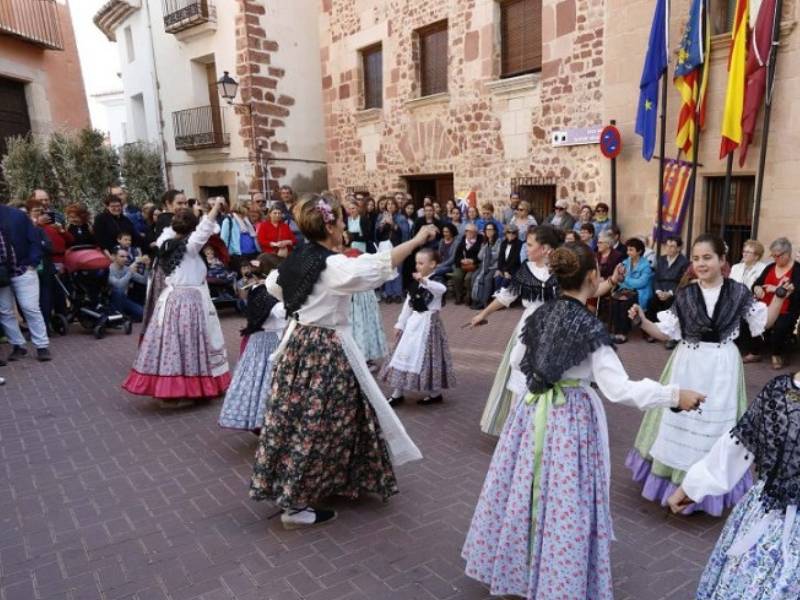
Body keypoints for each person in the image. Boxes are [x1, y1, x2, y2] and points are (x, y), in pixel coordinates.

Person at [462, 242, 705, 600]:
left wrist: (545, 376)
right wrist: (674, 395)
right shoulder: (589, 327)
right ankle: (558, 581)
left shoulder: (539, 316)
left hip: (532, 413)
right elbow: (618, 389)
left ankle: (525, 569)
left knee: (526, 491)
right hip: (568, 419)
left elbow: (517, 361)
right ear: (593, 277)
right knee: (564, 502)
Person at [249, 194, 436, 529]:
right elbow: (377, 267)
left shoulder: (300, 256)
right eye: (338, 219)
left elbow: (274, 285)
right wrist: (418, 239)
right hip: (324, 349)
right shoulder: (330, 265)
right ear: (330, 224)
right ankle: (296, 503)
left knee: (307, 417)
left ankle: (331, 480)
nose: (342, 225)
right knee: (318, 421)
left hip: (299, 344)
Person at [626, 234, 790, 516]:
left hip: (722, 366)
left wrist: (779, 297)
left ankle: (706, 489)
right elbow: (665, 331)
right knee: (680, 420)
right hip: (688, 362)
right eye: (696, 258)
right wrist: (641, 319)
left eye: (707, 257)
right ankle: (675, 486)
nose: (701, 263)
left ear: (722, 261)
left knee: (717, 427)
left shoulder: (738, 292)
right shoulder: (685, 294)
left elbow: (762, 322)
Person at [667, 372, 800, 599]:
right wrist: (692, 486)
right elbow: (738, 443)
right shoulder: (781, 392)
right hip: (772, 517)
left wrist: (691, 487)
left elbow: (736, 447)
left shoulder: (782, 391)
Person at [122, 200, 231, 404]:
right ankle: (196, 387)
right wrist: (215, 207)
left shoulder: (165, 242)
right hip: (191, 301)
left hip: (171, 299)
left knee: (172, 344)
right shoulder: (189, 247)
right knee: (193, 345)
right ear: (192, 229)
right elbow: (206, 227)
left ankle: (172, 388)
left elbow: (181, 230)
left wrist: (183, 220)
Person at [469, 226, 562, 436]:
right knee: (519, 369)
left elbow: (585, 292)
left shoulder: (563, 272)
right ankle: (519, 427)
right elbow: (507, 296)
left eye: (530, 245)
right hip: (529, 328)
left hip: (554, 329)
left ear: (545, 248)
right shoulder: (526, 269)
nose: (526, 249)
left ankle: (545, 430)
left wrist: (611, 281)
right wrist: (483, 314)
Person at [218, 254, 285, 432]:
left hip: (260, 342)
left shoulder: (259, 290)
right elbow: (282, 313)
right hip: (269, 343)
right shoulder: (264, 293)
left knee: (258, 382)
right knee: (267, 383)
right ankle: (265, 422)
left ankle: (263, 421)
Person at [381, 247, 455, 405]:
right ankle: (397, 393)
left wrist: (425, 281)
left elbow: (442, 290)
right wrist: (400, 323)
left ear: (433, 264)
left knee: (428, 357)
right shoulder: (415, 283)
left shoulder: (437, 280)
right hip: (413, 323)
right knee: (403, 353)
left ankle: (435, 394)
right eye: (417, 263)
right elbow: (408, 304)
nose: (418, 266)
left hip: (429, 325)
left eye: (421, 263)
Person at [0, 203, 51, 362]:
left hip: (22, 269)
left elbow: (34, 239)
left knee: (30, 308)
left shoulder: (17, 215)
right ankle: (18, 345)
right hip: (0, 275)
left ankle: (42, 345)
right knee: (5, 311)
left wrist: (32, 262)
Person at [753, 237, 800, 370]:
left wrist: (776, 290)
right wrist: (756, 288)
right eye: (772, 255)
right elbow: (757, 283)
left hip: (786, 309)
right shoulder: (770, 267)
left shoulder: (797, 270)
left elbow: (797, 294)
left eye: (777, 256)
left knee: (781, 326)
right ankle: (754, 352)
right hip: (764, 306)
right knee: (751, 319)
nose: (774, 258)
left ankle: (777, 354)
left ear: (787, 254)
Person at [647, 235, 689, 348]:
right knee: (651, 302)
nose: (668, 248)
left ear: (679, 248)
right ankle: (653, 332)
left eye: (672, 246)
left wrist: (670, 293)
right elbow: (656, 278)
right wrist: (658, 291)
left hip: (674, 292)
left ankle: (672, 337)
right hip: (661, 290)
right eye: (667, 246)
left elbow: (683, 282)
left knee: (671, 304)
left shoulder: (684, 262)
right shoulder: (661, 259)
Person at [609, 237, 654, 344]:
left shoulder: (646, 265)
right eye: (627, 250)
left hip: (640, 293)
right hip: (626, 291)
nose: (628, 252)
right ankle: (616, 331)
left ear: (639, 251)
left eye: (631, 250)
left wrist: (625, 279)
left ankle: (623, 333)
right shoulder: (625, 262)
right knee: (615, 301)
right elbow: (620, 281)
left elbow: (641, 283)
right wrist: (622, 279)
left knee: (625, 302)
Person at [730, 239, 768, 363]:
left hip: (753, 301)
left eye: (748, 252)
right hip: (735, 299)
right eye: (744, 251)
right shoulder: (736, 267)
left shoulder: (763, 269)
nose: (744, 254)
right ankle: (727, 344)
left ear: (756, 256)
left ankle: (754, 352)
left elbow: (761, 289)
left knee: (751, 314)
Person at [376, 198, 407, 303]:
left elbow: (403, 234)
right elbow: (377, 235)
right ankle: (389, 294)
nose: (390, 206)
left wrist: (392, 224)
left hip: (397, 247)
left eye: (392, 204)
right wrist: (382, 225)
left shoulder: (401, 217)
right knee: (387, 270)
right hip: (384, 248)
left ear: (396, 206)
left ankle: (397, 294)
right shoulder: (381, 217)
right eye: (388, 204)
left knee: (397, 270)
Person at [107, 247, 148, 322]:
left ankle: (123, 315)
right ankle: (118, 316)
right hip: (111, 300)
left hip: (124, 299)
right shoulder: (109, 269)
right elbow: (118, 285)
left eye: (126, 257)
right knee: (118, 291)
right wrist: (130, 272)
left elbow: (144, 281)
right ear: (114, 257)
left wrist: (147, 267)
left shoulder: (127, 268)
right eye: (122, 256)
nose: (125, 259)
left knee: (141, 313)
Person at [221, 200, 262, 270]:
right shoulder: (228, 221)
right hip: (238, 256)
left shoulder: (246, 220)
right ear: (241, 208)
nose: (249, 210)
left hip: (253, 254)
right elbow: (223, 240)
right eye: (248, 208)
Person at [471, 222, 501, 310]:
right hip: (484, 266)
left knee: (487, 279)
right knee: (474, 276)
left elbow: (497, 256)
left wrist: (489, 252)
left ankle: (484, 302)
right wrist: (486, 246)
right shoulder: (484, 243)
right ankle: (476, 299)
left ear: (495, 231)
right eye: (487, 230)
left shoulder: (499, 242)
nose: (488, 231)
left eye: (490, 229)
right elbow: (479, 257)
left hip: (494, 267)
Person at [450, 223, 482, 305]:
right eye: (468, 231)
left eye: (473, 232)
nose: (470, 233)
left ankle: (469, 297)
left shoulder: (480, 241)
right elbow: (456, 257)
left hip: (474, 266)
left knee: (468, 278)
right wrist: (461, 261)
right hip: (462, 265)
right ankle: (459, 296)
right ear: (465, 232)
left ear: (476, 232)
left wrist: (472, 260)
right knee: (456, 276)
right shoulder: (461, 241)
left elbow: (482, 256)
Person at [495, 222, 523, 291]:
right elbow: (500, 257)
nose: (511, 234)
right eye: (508, 232)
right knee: (497, 279)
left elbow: (515, 260)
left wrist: (506, 271)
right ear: (506, 233)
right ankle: (496, 297)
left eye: (513, 233)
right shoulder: (503, 243)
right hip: (504, 268)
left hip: (514, 269)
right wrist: (499, 269)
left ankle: (502, 299)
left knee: (505, 281)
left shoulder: (519, 244)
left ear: (516, 234)